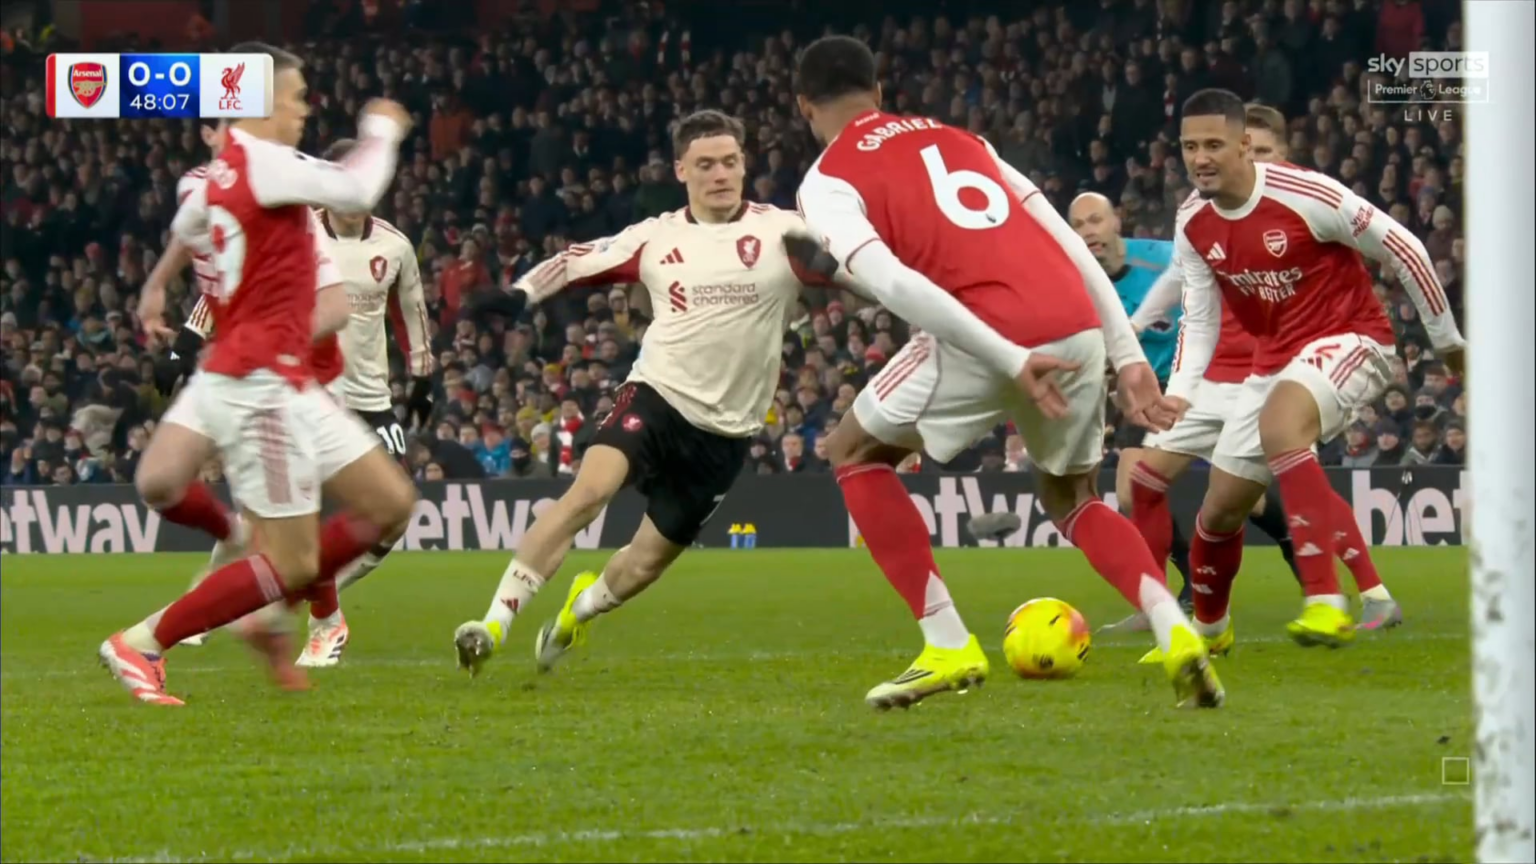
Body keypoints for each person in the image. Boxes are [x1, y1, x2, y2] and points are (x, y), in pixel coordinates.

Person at [789, 35, 1222, 710]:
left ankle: (946, 644)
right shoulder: (967, 142)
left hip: (989, 331)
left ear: (803, 107)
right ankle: (1174, 629)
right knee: (1073, 497)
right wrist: (1128, 355)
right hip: (1076, 322)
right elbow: (1064, 240)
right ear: (878, 92)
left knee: (853, 451)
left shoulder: (827, 179)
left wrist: (1009, 356)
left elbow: (897, 285)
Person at [451, 110, 840, 677]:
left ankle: (576, 614)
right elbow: (575, 260)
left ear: (744, 164)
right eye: (705, 164)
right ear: (681, 170)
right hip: (656, 396)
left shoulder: (783, 231)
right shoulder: (655, 237)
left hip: (727, 434)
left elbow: (860, 269)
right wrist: (520, 294)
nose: (720, 174)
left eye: (730, 161)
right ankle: (492, 623)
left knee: (643, 566)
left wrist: (842, 270)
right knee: (588, 493)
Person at [98, 43, 418, 705]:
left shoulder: (222, 175)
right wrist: (382, 127)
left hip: (276, 377)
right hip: (262, 384)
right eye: (295, 98)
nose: (303, 111)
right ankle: (146, 640)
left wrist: (156, 287)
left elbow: (187, 226)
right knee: (294, 559)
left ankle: (267, 608)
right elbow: (357, 187)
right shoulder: (263, 161)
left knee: (391, 505)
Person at [1162, 89, 1463, 649]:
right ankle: (1208, 631)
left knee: (1282, 426)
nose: (1200, 157)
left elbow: (1405, 248)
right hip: (1272, 362)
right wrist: (1180, 392)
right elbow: (1198, 320)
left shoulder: (1306, 194)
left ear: (1245, 145)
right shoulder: (1192, 221)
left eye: (1213, 144)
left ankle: (1326, 600)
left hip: (1354, 340)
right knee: (1220, 511)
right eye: (1189, 146)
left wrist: (1448, 343)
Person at [1067, 192, 1194, 612]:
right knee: (1129, 491)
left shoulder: (1164, 258)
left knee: (1243, 494)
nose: (1089, 232)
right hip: (1144, 389)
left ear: (1116, 220)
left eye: (1095, 221)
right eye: (1080, 226)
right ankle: (1172, 594)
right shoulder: (1079, 282)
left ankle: (1305, 567)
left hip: (1194, 378)